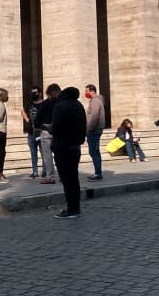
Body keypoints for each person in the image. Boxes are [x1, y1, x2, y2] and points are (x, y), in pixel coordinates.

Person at [50, 87, 87, 219]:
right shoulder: (79, 105)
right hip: (75, 146)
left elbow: (56, 128)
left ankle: (71, 209)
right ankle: (75, 207)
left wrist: (49, 128)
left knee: (66, 179)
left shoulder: (60, 106)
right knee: (73, 178)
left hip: (62, 146)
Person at [35, 84, 61, 185]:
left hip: (46, 131)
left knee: (48, 156)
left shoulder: (45, 104)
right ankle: (62, 175)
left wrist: (45, 126)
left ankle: (50, 176)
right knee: (59, 155)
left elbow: (37, 121)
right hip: (58, 131)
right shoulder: (61, 103)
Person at [21, 86, 45, 178]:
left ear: (40, 93)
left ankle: (44, 171)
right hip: (31, 132)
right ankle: (35, 172)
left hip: (41, 132)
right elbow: (22, 111)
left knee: (43, 152)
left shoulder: (44, 104)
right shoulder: (29, 104)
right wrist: (27, 120)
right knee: (33, 152)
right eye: (32, 93)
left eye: (35, 92)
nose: (34, 94)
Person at [85, 84, 106, 181]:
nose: (85, 93)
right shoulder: (96, 101)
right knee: (94, 152)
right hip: (96, 130)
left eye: (87, 91)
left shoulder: (95, 101)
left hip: (94, 131)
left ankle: (98, 173)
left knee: (94, 152)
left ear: (92, 91)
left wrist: (89, 129)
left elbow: (94, 117)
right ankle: (97, 172)